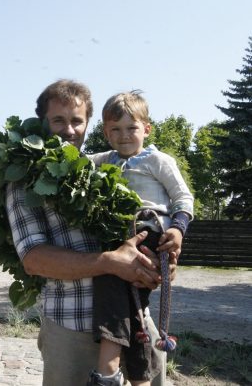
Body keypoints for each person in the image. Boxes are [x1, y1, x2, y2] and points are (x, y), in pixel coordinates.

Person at [5, 79, 173, 386]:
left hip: (135, 321)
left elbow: (142, 227)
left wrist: (158, 263)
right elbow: (34, 258)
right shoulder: (24, 182)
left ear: (88, 124)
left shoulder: (105, 170)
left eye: (76, 121)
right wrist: (109, 262)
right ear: (42, 123)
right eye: (58, 120)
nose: (69, 130)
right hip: (72, 330)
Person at [87, 91, 193, 386]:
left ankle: (106, 373)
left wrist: (178, 229)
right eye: (114, 130)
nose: (123, 136)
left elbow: (182, 197)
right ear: (105, 132)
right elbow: (77, 164)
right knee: (132, 312)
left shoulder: (158, 160)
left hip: (150, 232)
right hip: (119, 236)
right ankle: (140, 379)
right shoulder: (104, 160)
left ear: (146, 129)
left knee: (109, 283)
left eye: (131, 128)